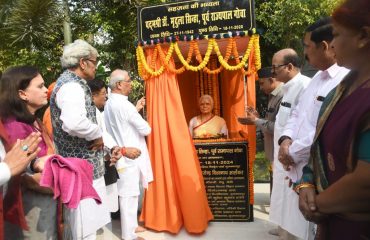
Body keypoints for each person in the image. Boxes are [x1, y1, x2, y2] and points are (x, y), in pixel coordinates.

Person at [297, 0, 370, 239]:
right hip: (331, 224)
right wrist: (306, 184)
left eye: (337, 34)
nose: (333, 43)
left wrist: (317, 204)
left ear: (363, 36)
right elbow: (319, 146)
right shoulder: (339, 92)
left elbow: (364, 183)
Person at [49, 39, 111, 239]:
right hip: (80, 170)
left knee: (88, 226)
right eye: (95, 62)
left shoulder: (72, 83)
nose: (96, 66)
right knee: (84, 228)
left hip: (84, 169)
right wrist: (97, 134)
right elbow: (74, 123)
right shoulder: (71, 86)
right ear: (83, 63)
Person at [278, 17, 350, 183]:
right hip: (298, 170)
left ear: (324, 46)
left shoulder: (345, 80)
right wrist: (285, 139)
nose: (304, 53)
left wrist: (291, 153)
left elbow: (326, 130)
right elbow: (297, 113)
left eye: (306, 46)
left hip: (323, 175)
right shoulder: (317, 77)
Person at [0, 66, 57, 239]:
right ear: (22, 94)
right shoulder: (15, 126)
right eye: (40, 86)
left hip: (44, 204)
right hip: (31, 207)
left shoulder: (34, 121)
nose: (46, 90)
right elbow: (24, 176)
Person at [104, 69, 153, 240]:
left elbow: (122, 122)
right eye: (129, 80)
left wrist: (135, 109)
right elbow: (146, 129)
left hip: (119, 153)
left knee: (129, 193)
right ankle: (128, 236)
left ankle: (131, 227)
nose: (131, 83)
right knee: (129, 196)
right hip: (128, 155)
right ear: (119, 84)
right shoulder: (124, 106)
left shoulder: (110, 103)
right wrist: (138, 112)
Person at [268, 49, 311, 240]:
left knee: (294, 205)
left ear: (290, 67)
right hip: (282, 156)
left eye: (275, 67)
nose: (273, 72)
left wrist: (291, 153)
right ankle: (283, 230)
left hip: (294, 159)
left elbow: (306, 126)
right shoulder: (287, 88)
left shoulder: (305, 87)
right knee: (282, 198)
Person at [238, 67, 284, 236]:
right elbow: (270, 123)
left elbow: (278, 128)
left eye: (262, 83)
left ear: (273, 80)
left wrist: (256, 120)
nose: (260, 88)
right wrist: (257, 118)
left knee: (281, 191)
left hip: (281, 152)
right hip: (273, 151)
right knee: (276, 188)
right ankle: (281, 225)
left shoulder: (283, 96)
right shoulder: (272, 98)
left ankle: (284, 226)